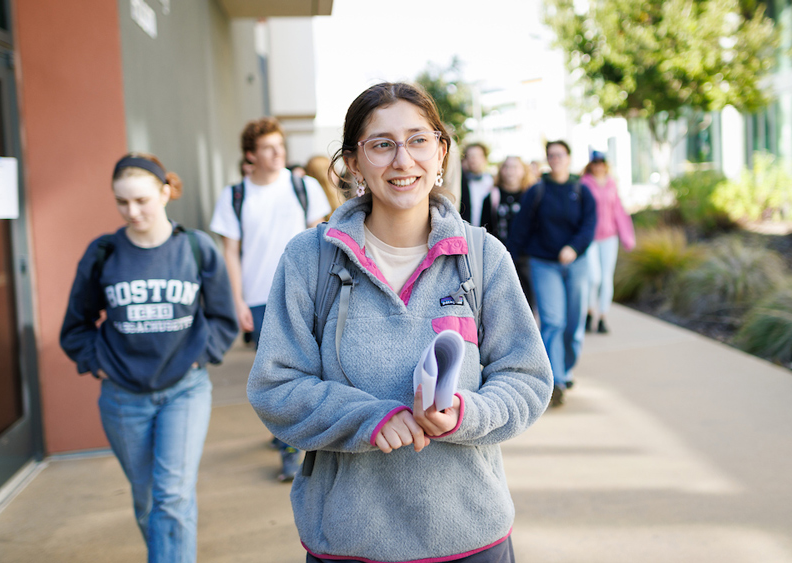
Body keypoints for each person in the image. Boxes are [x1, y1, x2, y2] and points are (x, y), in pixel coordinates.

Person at [247, 82, 552, 563]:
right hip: (350, 543)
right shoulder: (309, 259)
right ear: (353, 162)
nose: (402, 160)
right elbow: (276, 387)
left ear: (441, 152)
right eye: (382, 144)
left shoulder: (483, 257)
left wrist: (465, 414)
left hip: (471, 538)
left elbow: (528, 379)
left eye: (418, 140)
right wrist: (370, 419)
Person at [60, 153, 238, 563]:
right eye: (122, 202)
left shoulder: (196, 248)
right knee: (147, 501)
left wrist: (200, 356)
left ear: (164, 192)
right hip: (123, 397)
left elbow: (223, 318)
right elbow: (75, 326)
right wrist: (97, 362)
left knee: (172, 496)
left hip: (185, 390)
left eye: (141, 200)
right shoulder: (104, 253)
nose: (132, 211)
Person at [210, 117, 331, 481]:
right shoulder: (234, 195)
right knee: (278, 376)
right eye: (268, 147)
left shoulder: (303, 186)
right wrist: (238, 301)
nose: (278, 152)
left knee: (312, 368)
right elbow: (230, 252)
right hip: (261, 297)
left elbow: (322, 240)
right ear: (251, 155)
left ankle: (295, 440)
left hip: (306, 293)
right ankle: (289, 447)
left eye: (280, 145)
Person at [508, 140, 596, 407]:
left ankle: (566, 369)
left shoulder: (582, 190)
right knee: (553, 321)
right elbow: (520, 230)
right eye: (551, 156)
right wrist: (507, 262)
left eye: (560, 155)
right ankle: (555, 380)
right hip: (543, 263)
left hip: (576, 263)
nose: (555, 159)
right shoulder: (537, 191)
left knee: (573, 325)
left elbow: (589, 225)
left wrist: (573, 247)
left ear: (569, 158)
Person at [582, 150, 636, 334]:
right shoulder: (585, 184)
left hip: (609, 237)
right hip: (590, 238)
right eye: (595, 163)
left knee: (606, 278)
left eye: (601, 162)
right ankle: (589, 311)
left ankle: (603, 316)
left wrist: (627, 236)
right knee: (593, 277)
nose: (599, 166)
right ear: (591, 164)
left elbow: (619, 211)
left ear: (606, 164)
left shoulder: (612, 184)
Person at [480, 155, 536, 308]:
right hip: (499, 256)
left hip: (525, 258)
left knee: (526, 300)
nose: (510, 171)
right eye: (507, 167)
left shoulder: (531, 196)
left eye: (515, 167)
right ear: (501, 171)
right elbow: (484, 229)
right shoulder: (492, 197)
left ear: (523, 171)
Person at [459, 142, 493, 226]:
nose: (473, 159)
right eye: (469, 156)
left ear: (484, 159)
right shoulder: (460, 183)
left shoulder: (491, 183)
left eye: (477, 156)